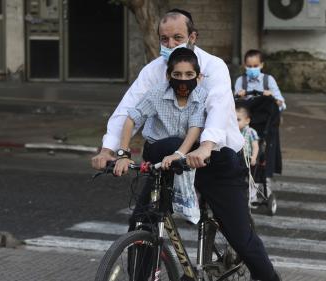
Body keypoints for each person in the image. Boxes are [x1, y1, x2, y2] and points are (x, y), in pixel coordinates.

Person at [91, 9, 280, 281]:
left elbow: (217, 108)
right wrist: (109, 149)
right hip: (170, 157)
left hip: (216, 155)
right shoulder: (154, 71)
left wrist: (205, 146)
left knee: (240, 236)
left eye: (177, 38)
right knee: (142, 220)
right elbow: (128, 110)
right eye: (164, 39)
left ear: (192, 37)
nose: (169, 45)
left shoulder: (213, 67)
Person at [112, 47, 206, 177]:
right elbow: (132, 119)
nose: (183, 79)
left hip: (186, 149)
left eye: (189, 74)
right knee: (174, 144)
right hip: (156, 148)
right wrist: (123, 154)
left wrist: (178, 154)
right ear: (168, 76)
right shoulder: (157, 93)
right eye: (177, 74)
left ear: (198, 77)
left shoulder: (202, 95)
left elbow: (196, 126)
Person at [234, 49, 284, 183]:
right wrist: (239, 95)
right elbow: (235, 102)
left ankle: (265, 176)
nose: (252, 69)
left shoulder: (269, 80)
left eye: (255, 66)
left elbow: (281, 103)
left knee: (266, 146)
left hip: (265, 121)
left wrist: (271, 96)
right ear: (244, 66)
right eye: (249, 66)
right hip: (246, 121)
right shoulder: (241, 80)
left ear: (262, 65)